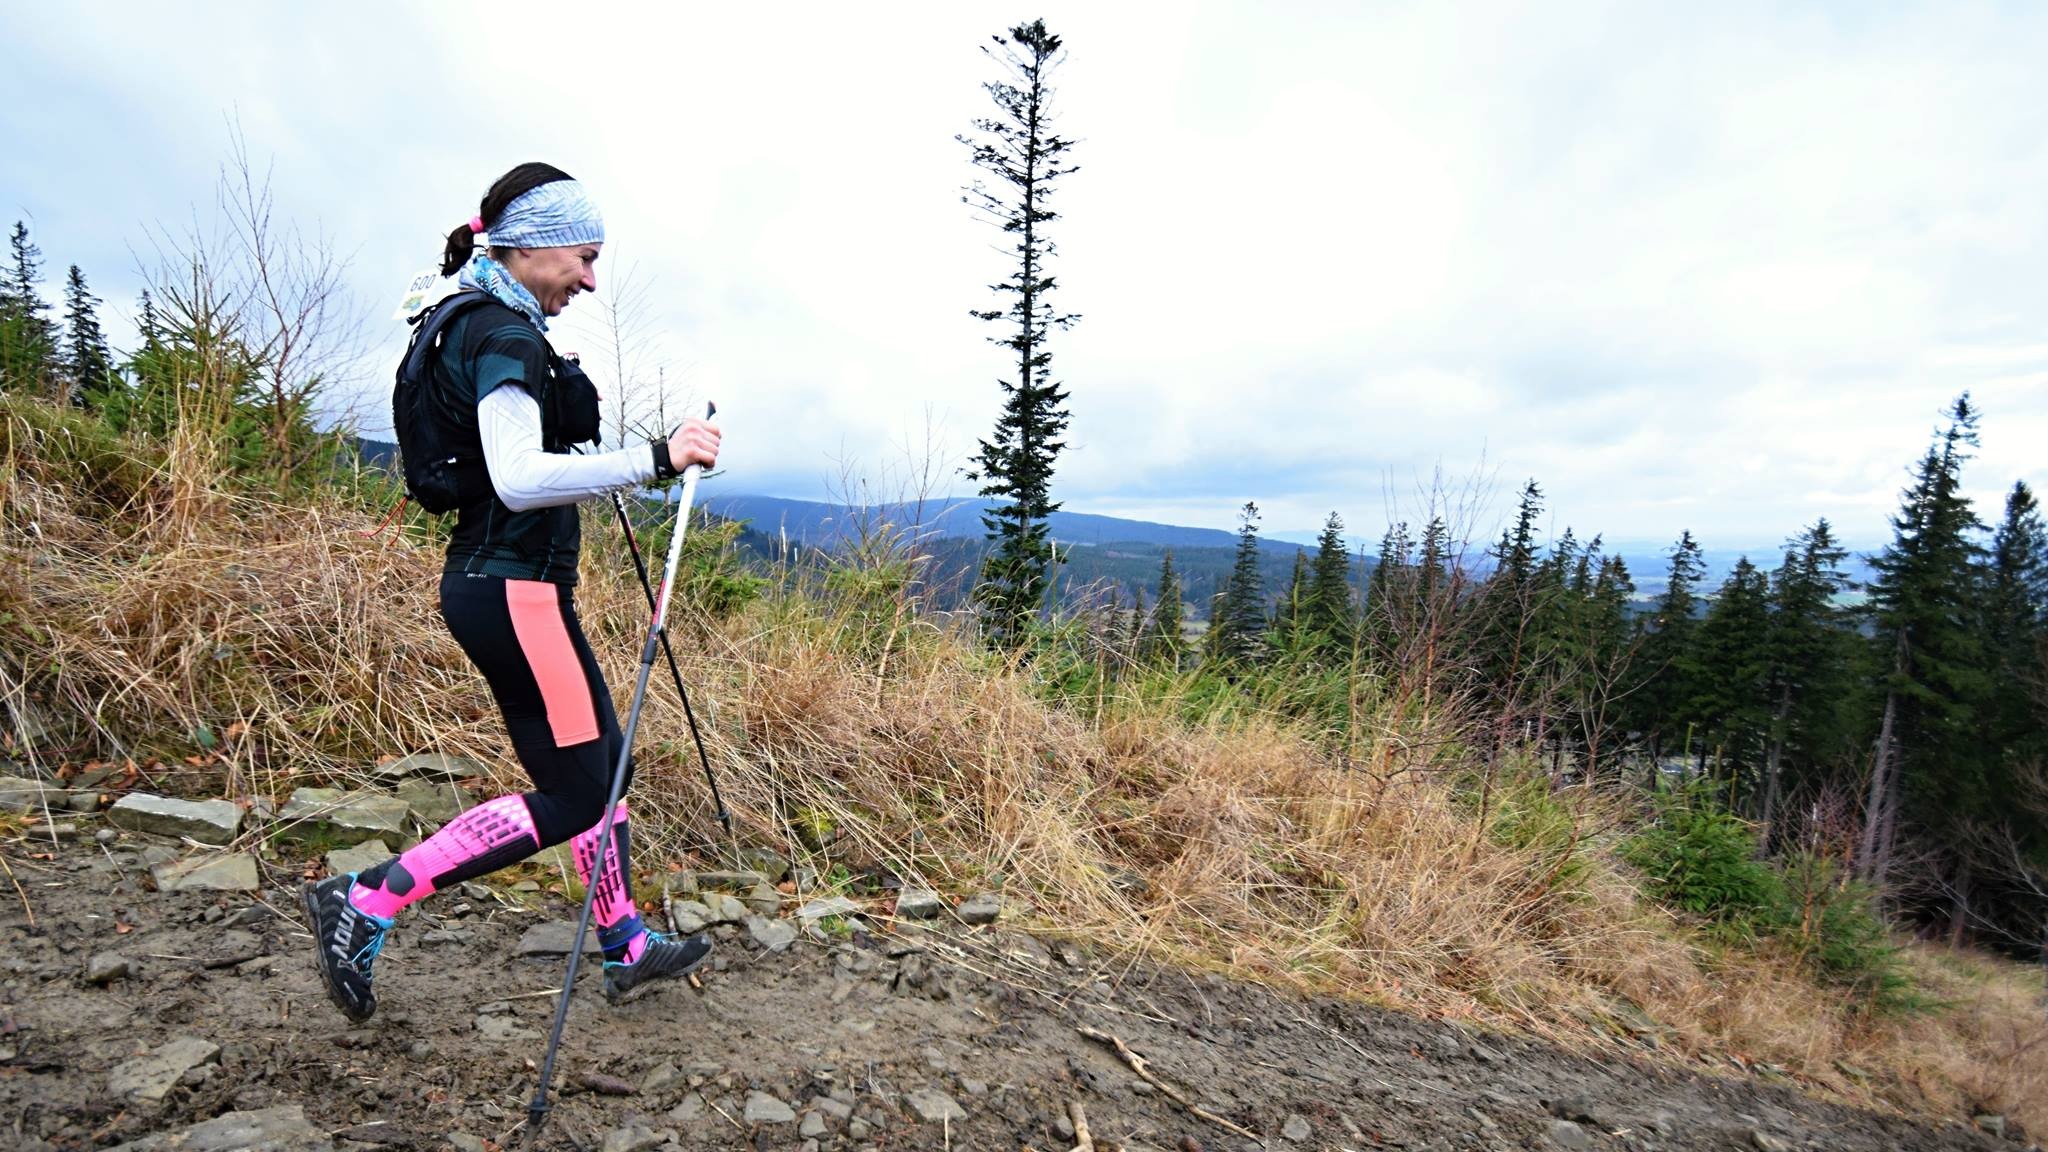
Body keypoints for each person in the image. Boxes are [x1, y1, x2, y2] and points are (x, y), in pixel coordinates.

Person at [303, 163, 722, 1022]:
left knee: (608, 768)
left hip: (509, 589)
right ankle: (367, 899)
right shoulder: (501, 333)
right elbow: (522, 477)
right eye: (584, 255)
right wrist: (656, 459)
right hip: (513, 593)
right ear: (530, 244)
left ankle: (627, 942)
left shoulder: (480, 318)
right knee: (577, 793)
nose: (592, 279)